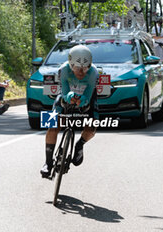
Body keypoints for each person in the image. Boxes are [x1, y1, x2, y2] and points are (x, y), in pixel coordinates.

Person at [40, 45, 98, 178]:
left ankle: (80, 145)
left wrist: (82, 101)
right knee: (52, 125)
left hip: (87, 95)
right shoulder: (63, 70)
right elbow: (65, 92)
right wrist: (69, 98)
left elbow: (88, 96)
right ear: (71, 64)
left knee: (92, 126)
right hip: (67, 94)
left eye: (85, 68)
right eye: (77, 68)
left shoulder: (94, 72)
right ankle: (48, 163)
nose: (81, 72)